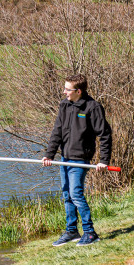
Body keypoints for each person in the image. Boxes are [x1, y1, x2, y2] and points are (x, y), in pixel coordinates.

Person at [42, 74, 112, 247]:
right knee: (67, 195)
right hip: (64, 158)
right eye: (64, 88)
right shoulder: (64, 105)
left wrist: (104, 160)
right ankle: (72, 230)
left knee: (76, 194)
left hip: (80, 159)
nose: (64, 91)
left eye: (68, 89)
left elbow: (105, 135)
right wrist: (49, 154)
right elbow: (57, 131)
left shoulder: (92, 107)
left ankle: (90, 232)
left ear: (78, 91)